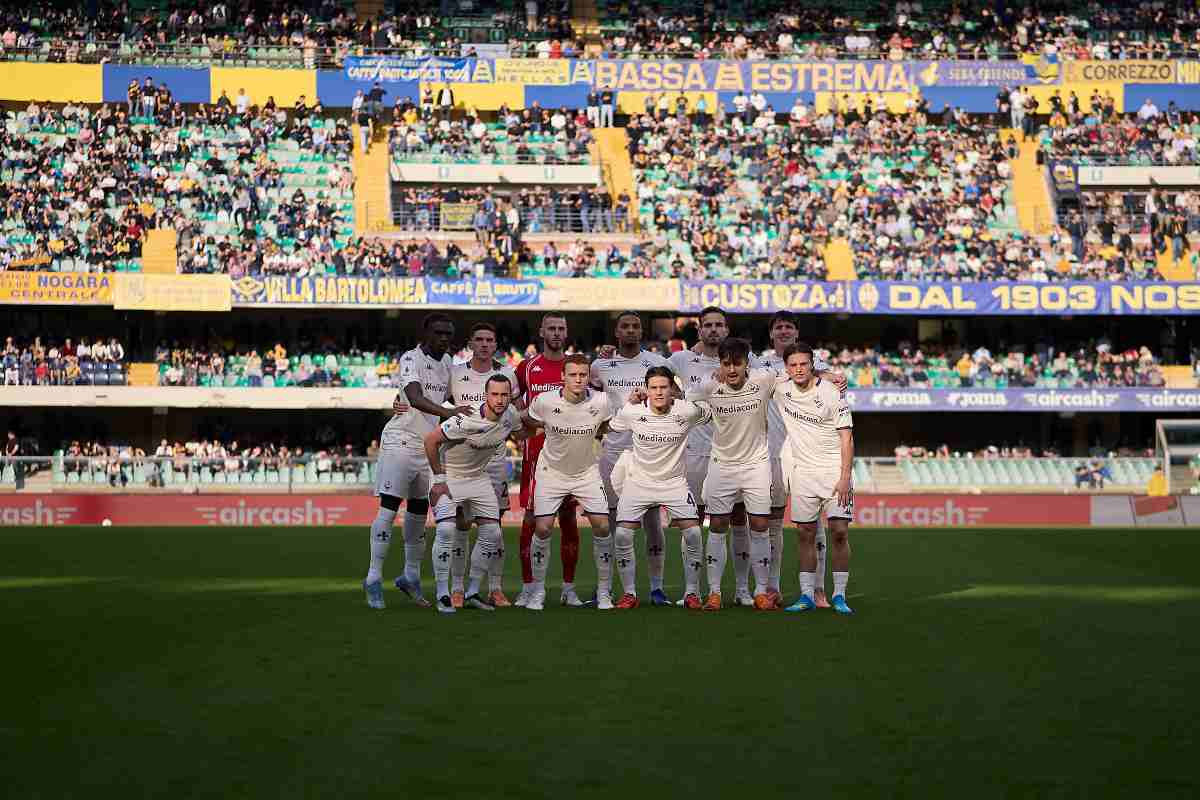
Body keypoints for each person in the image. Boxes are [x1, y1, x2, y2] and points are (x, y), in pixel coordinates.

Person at [363, 313, 470, 610]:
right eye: (438, 332)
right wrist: (448, 413)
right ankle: (373, 577)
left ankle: (410, 575)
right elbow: (413, 395)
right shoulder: (411, 358)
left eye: (449, 333)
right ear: (426, 333)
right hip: (400, 441)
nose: (444, 338)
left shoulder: (448, 362)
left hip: (428, 445)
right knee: (388, 508)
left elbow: (455, 391)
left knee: (420, 511)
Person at [683, 338, 777, 610]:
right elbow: (683, 400)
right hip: (722, 465)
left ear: (747, 363)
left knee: (760, 525)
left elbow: (794, 377)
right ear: (720, 364)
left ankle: (759, 591)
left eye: (737, 363)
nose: (732, 370)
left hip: (756, 464)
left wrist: (827, 375)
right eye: (726, 364)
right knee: (718, 525)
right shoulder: (709, 384)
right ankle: (714, 592)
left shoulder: (764, 379)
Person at [608, 366, 712, 608]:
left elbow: (708, 412)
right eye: (653, 387)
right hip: (639, 481)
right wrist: (627, 401)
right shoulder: (633, 412)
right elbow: (612, 425)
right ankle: (630, 594)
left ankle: (692, 594)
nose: (658, 392)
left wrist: (693, 394)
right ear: (646, 389)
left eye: (663, 387)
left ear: (671, 388)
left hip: (674, 482)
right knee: (623, 534)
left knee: (694, 533)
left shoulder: (685, 411)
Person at [425, 374, 526, 614]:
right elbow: (430, 441)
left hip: (479, 478)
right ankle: (443, 594)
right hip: (449, 476)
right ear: (485, 395)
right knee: (447, 529)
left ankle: (471, 591)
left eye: (504, 395)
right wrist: (439, 480)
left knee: (492, 532)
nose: (500, 400)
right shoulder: (464, 419)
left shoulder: (510, 415)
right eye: (495, 394)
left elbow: (525, 431)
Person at [590, 312, 671, 605]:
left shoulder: (657, 363)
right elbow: (587, 398)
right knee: (610, 525)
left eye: (636, 326)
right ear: (616, 332)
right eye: (625, 326)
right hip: (613, 454)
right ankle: (609, 588)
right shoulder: (600, 366)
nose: (631, 330)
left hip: (648, 453)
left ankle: (657, 588)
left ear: (642, 331)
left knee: (652, 523)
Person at [521, 355, 614, 609]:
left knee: (603, 527)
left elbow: (605, 425)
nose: (578, 379)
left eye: (583, 374)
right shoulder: (545, 401)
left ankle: (604, 592)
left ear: (588, 376)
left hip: (586, 472)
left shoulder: (601, 401)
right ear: (563, 376)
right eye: (572, 374)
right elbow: (528, 419)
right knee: (542, 529)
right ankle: (538, 592)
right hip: (551, 472)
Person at [773, 343, 855, 615]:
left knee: (839, 532)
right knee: (805, 533)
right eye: (793, 365)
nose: (798, 369)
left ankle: (840, 594)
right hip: (803, 472)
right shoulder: (780, 388)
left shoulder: (832, 393)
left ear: (812, 365)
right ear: (786, 368)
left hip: (834, 470)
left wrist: (845, 477)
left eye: (804, 364)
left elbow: (847, 437)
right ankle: (807, 594)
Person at [515, 313, 585, 608]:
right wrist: (523, 425)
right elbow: (514, 402)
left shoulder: (577, 368)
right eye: (551, 328)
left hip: (572, 456)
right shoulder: (526, 368)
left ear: (566, 333)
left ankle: (568, 588)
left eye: (561, 329)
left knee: (569, 520)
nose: (556, 333)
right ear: (541, 331)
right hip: (537, 457)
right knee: (532, 521)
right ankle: (528, 587)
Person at [446, 323, 519, 608]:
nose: (485, 344)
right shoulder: (456, 373)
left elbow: (516, 414)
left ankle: (495, 588)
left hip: (495, 462)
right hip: (464, 463)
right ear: (470, 343)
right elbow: (439, 403)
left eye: (490, 339)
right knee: (462, 525)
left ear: (496, 344)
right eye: (480, 339)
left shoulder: (507, 375)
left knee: (494, 528)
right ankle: (457, 588)